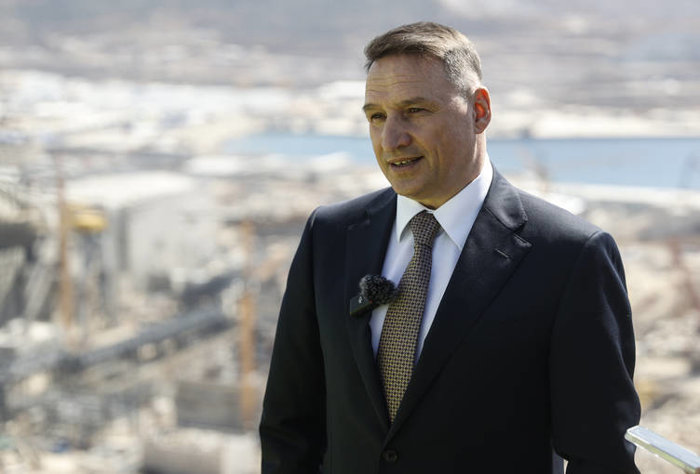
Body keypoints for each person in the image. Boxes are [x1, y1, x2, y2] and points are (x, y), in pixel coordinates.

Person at [260, 22, 640, 474]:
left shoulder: (570, 257)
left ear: (479, 111)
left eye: (414, 110)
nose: (391, 139)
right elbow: (290, 430)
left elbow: (602, 458)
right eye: (376, 116)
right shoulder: (329, 235)